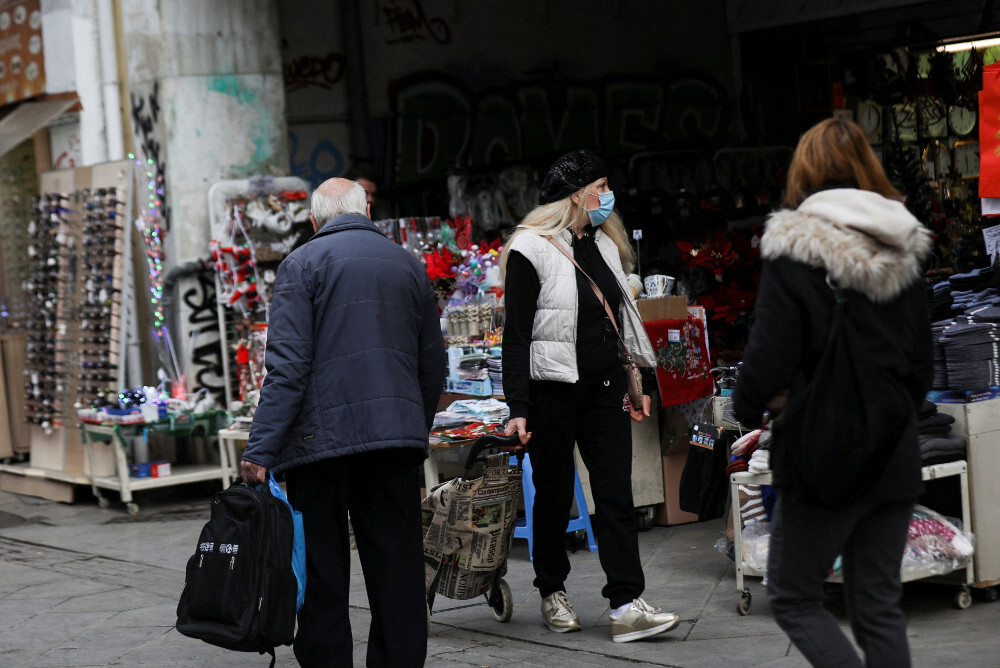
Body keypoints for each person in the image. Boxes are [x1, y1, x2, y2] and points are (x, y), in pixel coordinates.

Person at [732, 118, 933, 667]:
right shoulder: (906, 246)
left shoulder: (795, 248)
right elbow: (921, 366)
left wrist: (745, 409)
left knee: (795, 596)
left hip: (824, 457)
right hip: (894, 452)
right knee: (878, 605)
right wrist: (887, 416)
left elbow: (769, 356)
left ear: (806, 171)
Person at [240, 178, 446, 667]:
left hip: (319, 448)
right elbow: (432, 362)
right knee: (396, 570)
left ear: (314, 221)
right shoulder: (407, 263)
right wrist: (411, 424)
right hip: (392, 445)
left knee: (323, 571)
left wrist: (259, 450)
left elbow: (287, 367)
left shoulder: (300, 264)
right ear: (365, 212)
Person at [500, 149, 680, 643]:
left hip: (604, 388)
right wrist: (518, 407)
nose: (607, 196)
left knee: (616, 495)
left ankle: (626, 603)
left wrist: (634, 382)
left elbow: (618, 324)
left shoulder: (604, 243)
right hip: (550, 392)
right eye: (600, 186)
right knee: (554, 497)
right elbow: (514, 336)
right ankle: (552, 589)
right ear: (577, 193)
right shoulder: (529, 248)